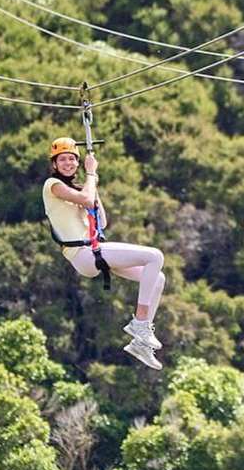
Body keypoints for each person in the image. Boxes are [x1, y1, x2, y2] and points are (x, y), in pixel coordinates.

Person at [42, 137, 167, 369]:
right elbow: (86, 199)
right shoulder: (52, 185)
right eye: (63, 159)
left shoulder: (79, 190)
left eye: (72, 159)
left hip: (93, 251)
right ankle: (140, 323)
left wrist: (93, 183)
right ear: (55, 164)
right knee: (155, 256)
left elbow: (101, 221)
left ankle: (141, 343)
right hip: (83, 254)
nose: (68, 163)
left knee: (158, 277)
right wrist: (90, 174)